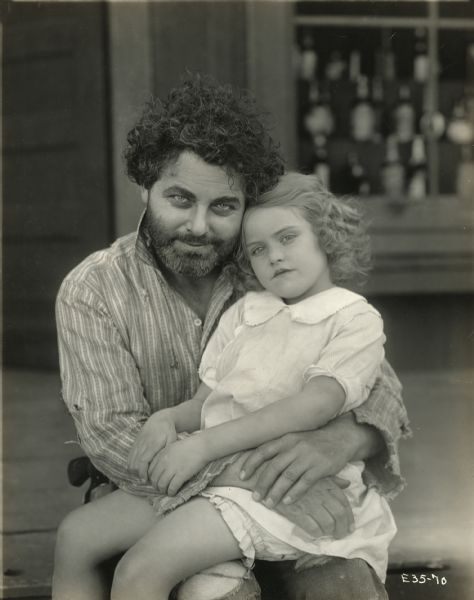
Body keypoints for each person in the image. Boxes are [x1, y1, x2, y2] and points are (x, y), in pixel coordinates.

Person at [53, 75, 410, 600]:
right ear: (143, 188)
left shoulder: (266, 276)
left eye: (223, 207)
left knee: (346, 586)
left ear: (245, 205)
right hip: (160, 491)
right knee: (212, 591)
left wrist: (342, 440)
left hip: (302, 489)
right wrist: (250, 474)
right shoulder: (94, 289)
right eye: (179, 199)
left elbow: (380, 388)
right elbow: (112, 437)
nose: (199, 226)